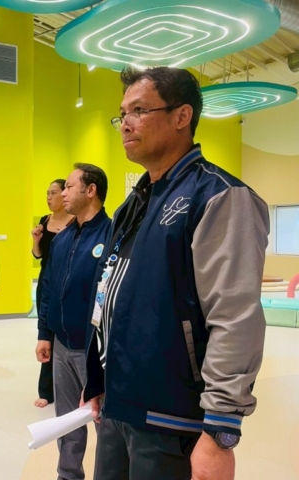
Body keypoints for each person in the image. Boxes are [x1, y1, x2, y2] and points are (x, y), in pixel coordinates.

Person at [82, 67, 269, 480]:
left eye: (139, 110)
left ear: (182, 116)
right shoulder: (134, 204)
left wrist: (220, 430)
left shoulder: (220, 196)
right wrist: (97, 378)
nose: (125, 123)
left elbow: (235, 319)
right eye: (122, 114)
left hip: (174, 420)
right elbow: (109, 293)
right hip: (118, 406)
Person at [36, 164, 111, 480]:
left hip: (97, 349)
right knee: (67, 421)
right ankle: (68, 474)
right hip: (62, 345)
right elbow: (48, 287)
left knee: (105, 422)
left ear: (91, 190)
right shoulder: (62, 238)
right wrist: (44, 333)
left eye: (68, 186)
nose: (62, 193)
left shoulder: (113, 236)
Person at [31, 179, 74, 408]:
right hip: (46, 282)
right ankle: (47, 390)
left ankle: (71, 385)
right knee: (46, 333)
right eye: (47, 193)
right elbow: (38, 255)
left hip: (68, 282)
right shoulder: (44, 221)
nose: (49, 197)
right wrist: (36, 241)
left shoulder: (75, 221)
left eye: (54, 192)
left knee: (65, 333)